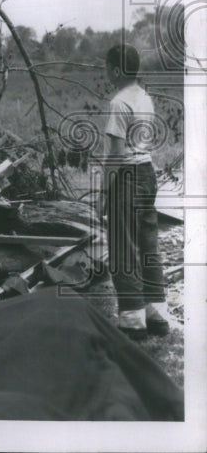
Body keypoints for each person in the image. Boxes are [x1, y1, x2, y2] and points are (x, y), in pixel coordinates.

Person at [100, 44, 168, 340]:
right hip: (147, 173)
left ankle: (132, 321)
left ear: (115, 71)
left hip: (126, 175)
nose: (106, 73)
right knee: (147, 243)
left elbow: (115, 154)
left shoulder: (118, 103)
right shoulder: (144, 97)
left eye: (106, 68)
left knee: (123, 247)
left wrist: (104, 190)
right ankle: (156, 314)